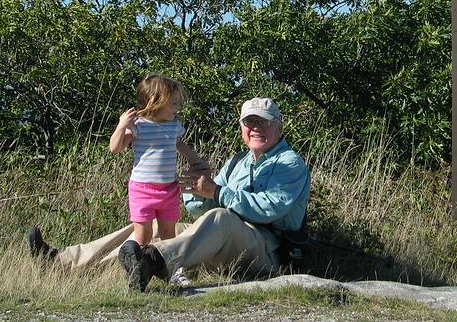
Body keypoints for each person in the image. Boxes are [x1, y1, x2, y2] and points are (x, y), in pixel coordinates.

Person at [27, 97, 311, 292]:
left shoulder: (289, 163)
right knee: (151, 227)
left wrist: (216, 192)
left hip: (269, 251)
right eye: (249, 122)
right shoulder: (238, 161)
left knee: (221, 218)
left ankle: (152, 261)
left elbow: (268, 209)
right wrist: (195, 190)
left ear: (278, 124)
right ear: (241, 128)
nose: (255, 129)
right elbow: (202, 210)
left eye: (263, 122)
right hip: (230, 242)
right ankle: (62, 262)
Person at [109, 73, 200, 246]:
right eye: (173, 103)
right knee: (143, 236)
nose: (178, 107)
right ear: (156, 102)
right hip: (142, 189)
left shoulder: (174, 126)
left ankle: (171, 268)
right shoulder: (139, 126)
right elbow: (115, 148)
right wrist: (122, 125)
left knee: (168, 234)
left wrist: (197, 161)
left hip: (169, 189)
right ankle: (141, 268)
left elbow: (180, 145)